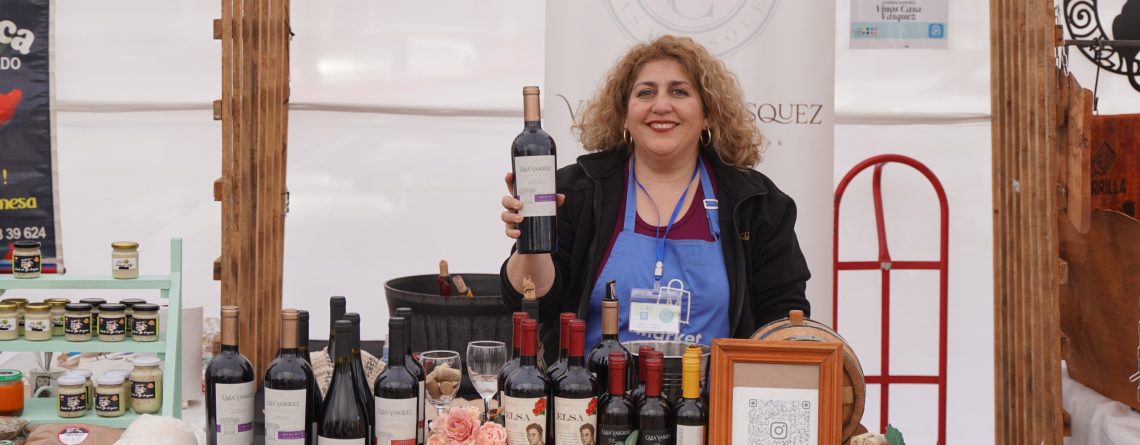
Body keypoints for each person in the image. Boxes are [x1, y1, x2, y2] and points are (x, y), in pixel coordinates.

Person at [499, 35, 810, 357]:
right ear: (623, 113)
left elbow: (783, 321)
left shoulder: (756, 203)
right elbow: (531, 305)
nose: (661, 106)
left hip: (714, 389)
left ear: (708, 113)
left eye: (679, 91)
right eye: (646, 92)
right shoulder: (575, 191)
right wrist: (530, 238)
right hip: (588, 388)